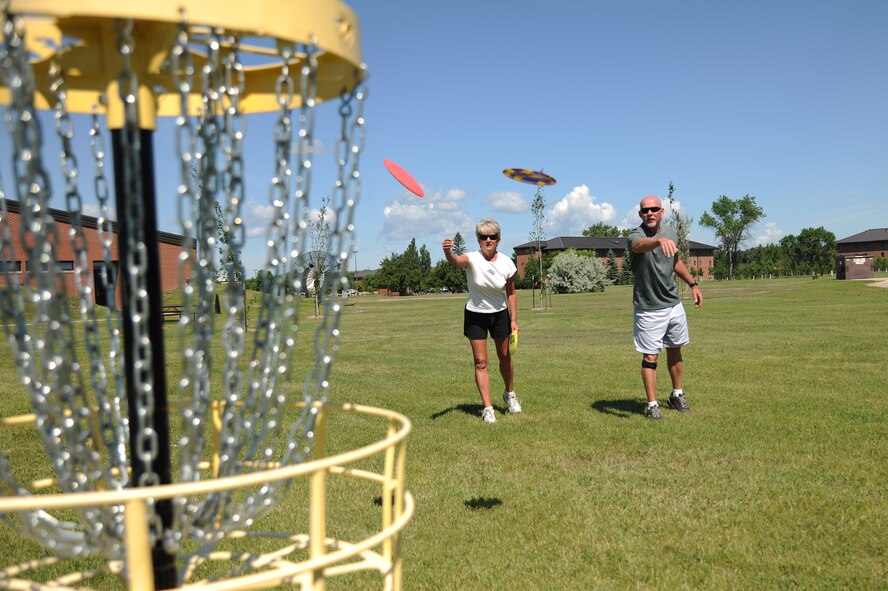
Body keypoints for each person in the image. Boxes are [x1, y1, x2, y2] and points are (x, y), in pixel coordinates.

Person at [627, 195, 703, 420]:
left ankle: (676, 394)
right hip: (649, 308)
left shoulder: (670, 233)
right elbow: (638, 246)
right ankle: (652, 405)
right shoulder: (636, 235)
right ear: (640, 214)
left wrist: (693, 284)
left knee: (675, 348)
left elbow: (676, 261)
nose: (649, 213)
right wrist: (658, 241)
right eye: (645, 210)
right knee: (650, 357)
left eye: (654, 209)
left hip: (673, 304)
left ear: (662, 212)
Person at [443, 219, 521, 423]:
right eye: (483, 237)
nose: (488, 240)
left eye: (492, 236)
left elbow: (511, 293)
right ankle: (488, 408)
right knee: (481, 362)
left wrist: (513, 320)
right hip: (475, 315)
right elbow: (456, 261)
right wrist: (448, 252)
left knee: (504, 356)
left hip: (500, 315)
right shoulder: (471, 258)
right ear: (478, 240)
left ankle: (509, 394)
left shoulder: (506, 262)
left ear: (498, 239)